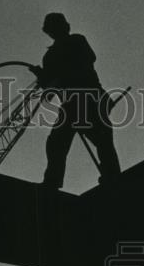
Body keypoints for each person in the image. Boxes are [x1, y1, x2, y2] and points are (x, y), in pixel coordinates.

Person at [30, 13, 120, 188]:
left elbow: (87, 60)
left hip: (90, 98)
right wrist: (42, 77)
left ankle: (112, 176)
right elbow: (50, 91)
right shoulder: (49, 57)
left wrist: (57, 78)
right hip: (72, 104)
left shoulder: (77, 41)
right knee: (56, 143)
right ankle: (52, 181)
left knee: (102, 141)